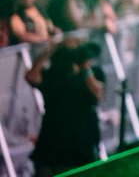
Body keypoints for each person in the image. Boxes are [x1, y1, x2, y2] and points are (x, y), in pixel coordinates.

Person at [26, 36, 105, 176]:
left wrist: (85, 67)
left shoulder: (93, 74)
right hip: (52, 146)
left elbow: (98, 94)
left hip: (80, 147)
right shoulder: (54, 75)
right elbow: (32, 75)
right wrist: (54, 46)